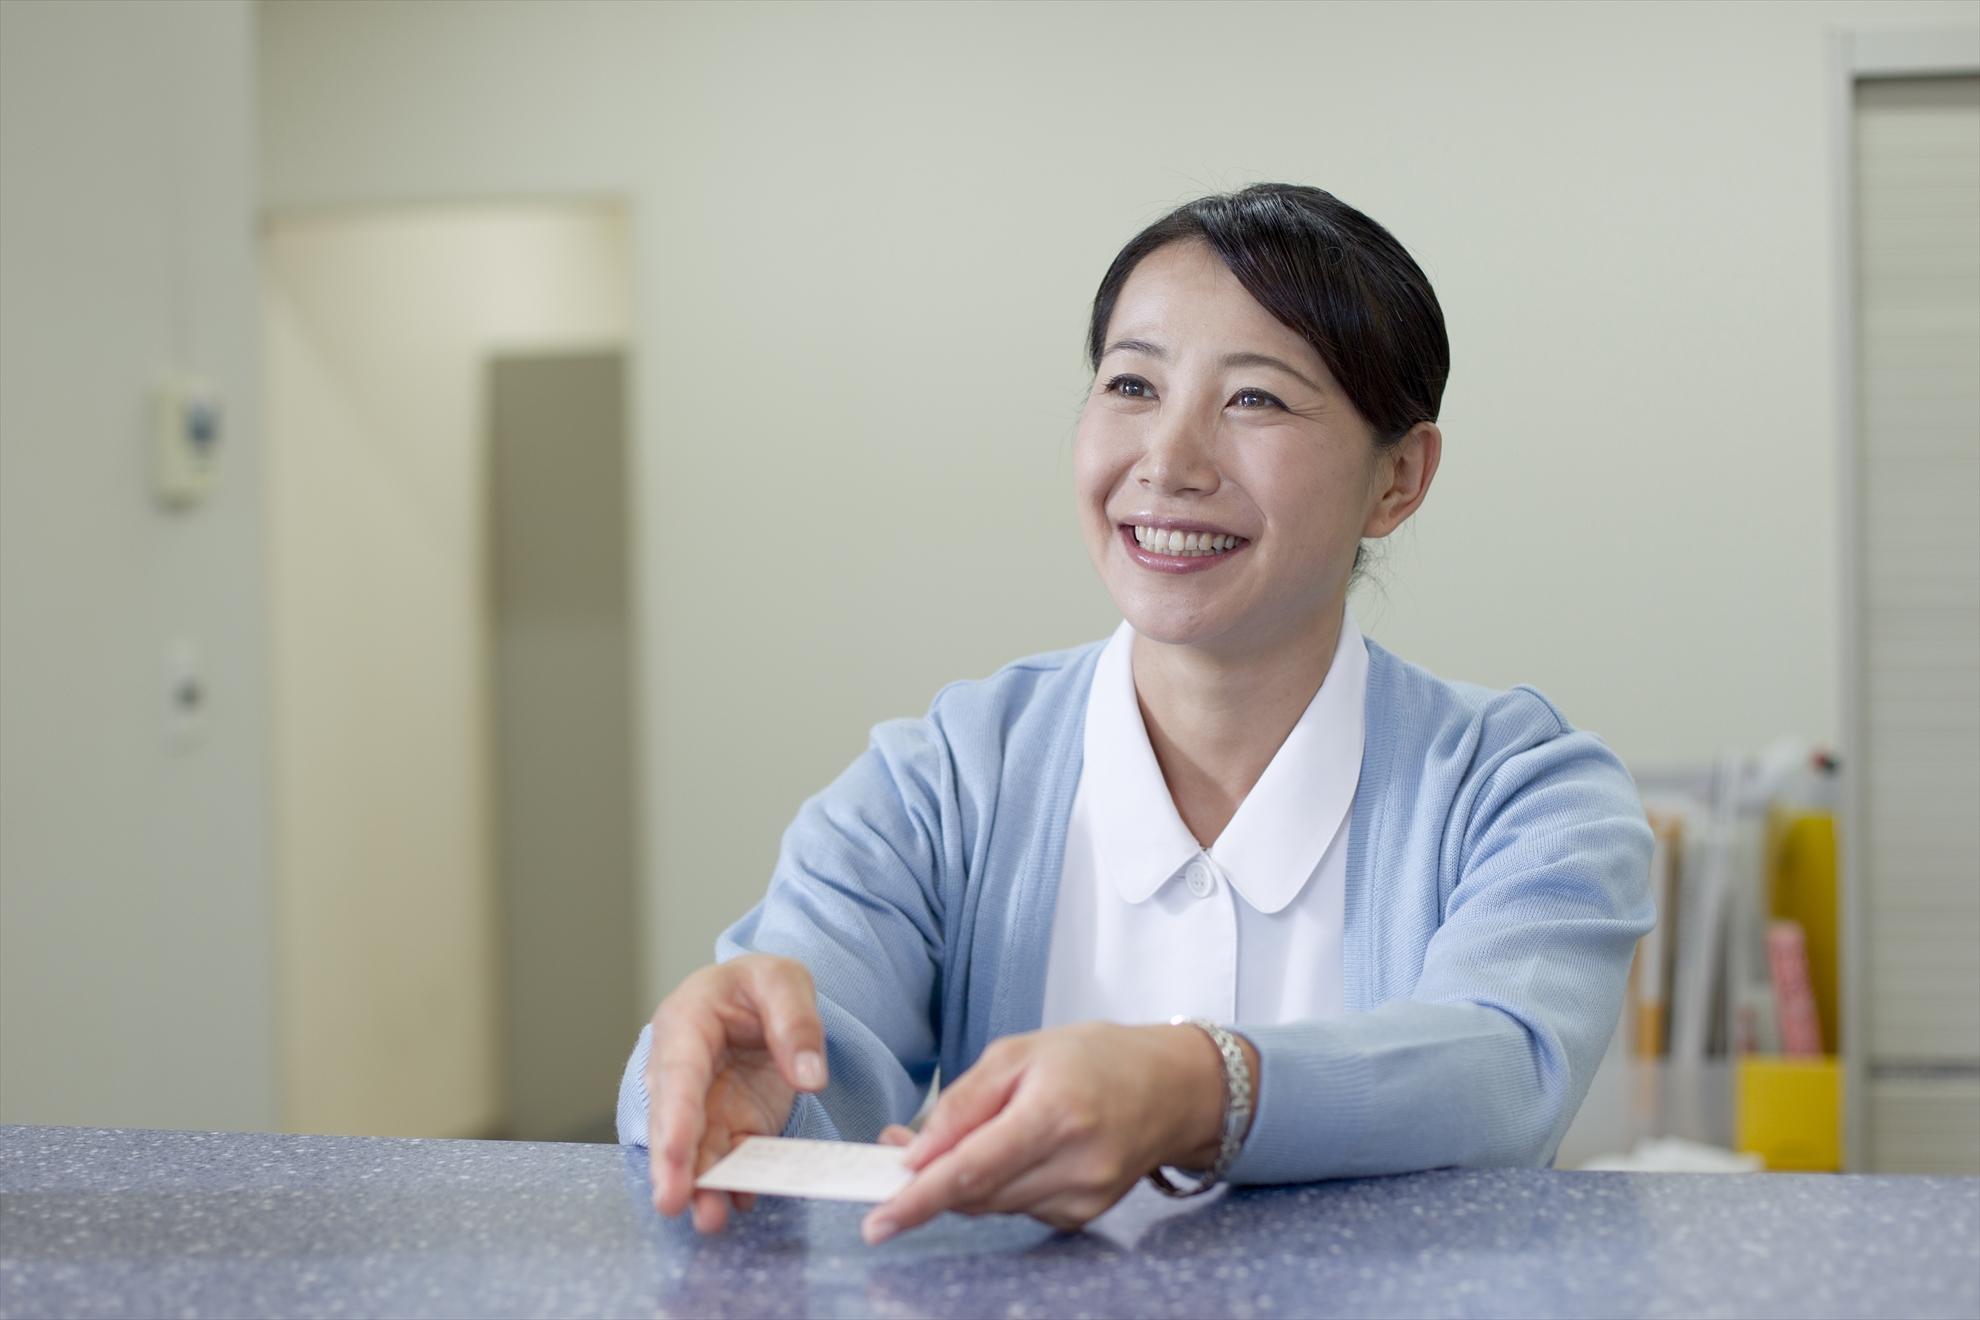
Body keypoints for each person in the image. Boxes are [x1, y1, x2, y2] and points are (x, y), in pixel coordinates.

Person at [617, 183, 1655, 1246]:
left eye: (1254, 399)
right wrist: (720, 1084)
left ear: (1398, 479)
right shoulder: (940, 780)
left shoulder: (1524, 791)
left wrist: (1193, 1087)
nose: (1168, 461)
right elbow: (803, 1050)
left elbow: (1500, 1067)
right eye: (1130, 384)